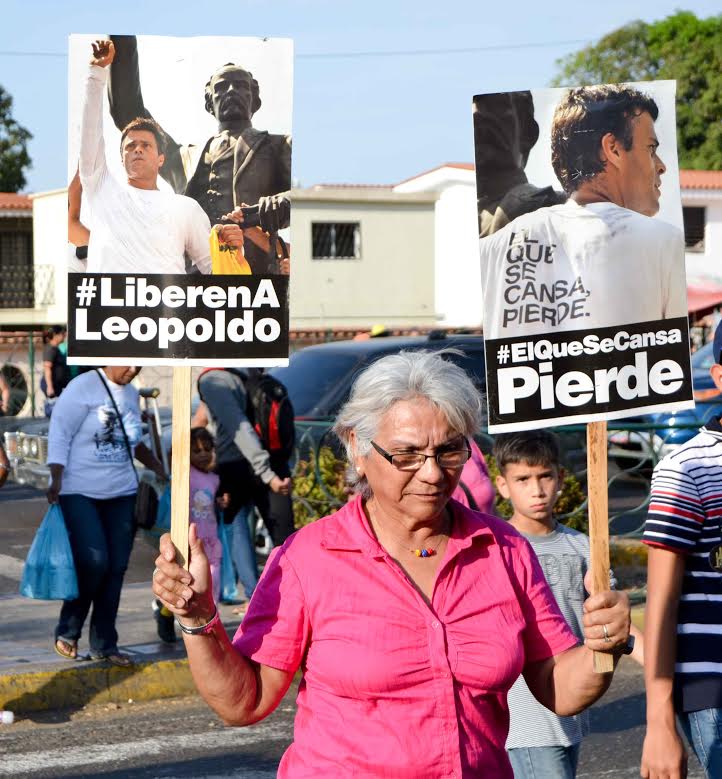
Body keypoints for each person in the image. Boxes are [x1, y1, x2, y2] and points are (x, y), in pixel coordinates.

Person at [152, 350, 632, 777]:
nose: (431, 472)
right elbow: (247, 700)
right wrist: (199, 620)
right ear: (357, 449)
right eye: (406, 454)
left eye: (449, 451)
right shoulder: (307, 558)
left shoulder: (503, 549)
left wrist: (601, 648)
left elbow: (559, 688)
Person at [479, 84, 687, 339]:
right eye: (651, 149)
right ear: (613, 149)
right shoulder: (664, 242)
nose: (662, 166)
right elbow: (671, 366)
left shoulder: (493, 250)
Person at [494, 429, 641, 778]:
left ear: (560, 477)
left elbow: (614, 621)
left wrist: (656, 664)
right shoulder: (499, 548)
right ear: (502, 485)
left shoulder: (583, 546)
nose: (537, 489)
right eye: (523, 479)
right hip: (524, 718)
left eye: (545, 476)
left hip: (570, 708)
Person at [108, 35, 291, 274]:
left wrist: (273, 206)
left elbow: (305, 196)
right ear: (210, 102)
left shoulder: (278, 145)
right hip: (193, 282)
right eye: (221, 87)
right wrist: (121, 35)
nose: (231, 91)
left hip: (255, 277)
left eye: (240, 85)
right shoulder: (183, 158)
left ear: (254, 99)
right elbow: (127, 112)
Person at [640, 319, 722, 779]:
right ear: (720, 375)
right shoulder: (688, 468)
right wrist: (658, 723)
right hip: (713, 691)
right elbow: (660, 602)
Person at [46, 366, 165, 666]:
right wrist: (55, 477)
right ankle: (68, 630)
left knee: (116, 568)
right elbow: (60, 432)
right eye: (127, 362)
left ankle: (105, 644)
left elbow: (133, 441)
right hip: (79, 491)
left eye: (138, 365)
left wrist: (162, 470)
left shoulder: (131, 393)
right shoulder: (82, 387)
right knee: (94, 561)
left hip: (122, 492)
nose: (132, 369)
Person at [78, 40, 211, 275]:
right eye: (130, 146)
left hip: (165, 310)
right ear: (121, 158)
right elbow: (90, 133)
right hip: (108, 310)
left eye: (146, 145)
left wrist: (234, 251)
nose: (137, 149)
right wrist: (97, 73)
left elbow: (214, 271)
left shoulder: (186, 208)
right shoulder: (101, 188)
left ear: (161, 158)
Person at [195, 368, 294, 611]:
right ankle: (286, 596)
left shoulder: (214, 379)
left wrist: (266, 472)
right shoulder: (250, 373)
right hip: (271, 464)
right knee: (282, 537)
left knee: (238, 534)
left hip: (240, 467)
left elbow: (238, 428)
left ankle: (258, 598)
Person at [154, 427, 228, 643]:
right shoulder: (184, 475)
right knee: (184, 584)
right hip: (189, 540)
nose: (203, 454)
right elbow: (170, 456)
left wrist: (219, 503)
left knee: (212, 581)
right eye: (196, 450)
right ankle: (165, 614)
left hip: (210, 540)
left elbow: (207, 505)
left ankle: (210, 623)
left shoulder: (214, 479)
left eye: (207, 449)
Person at [41, 326, 70, 417]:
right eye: (62, 334)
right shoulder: (51, 349)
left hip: (57, 385)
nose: (64, 336)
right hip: (52, 384)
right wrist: (50, 387)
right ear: (55, 335)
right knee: (54, 411)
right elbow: (47, 368)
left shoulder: (56, 349)